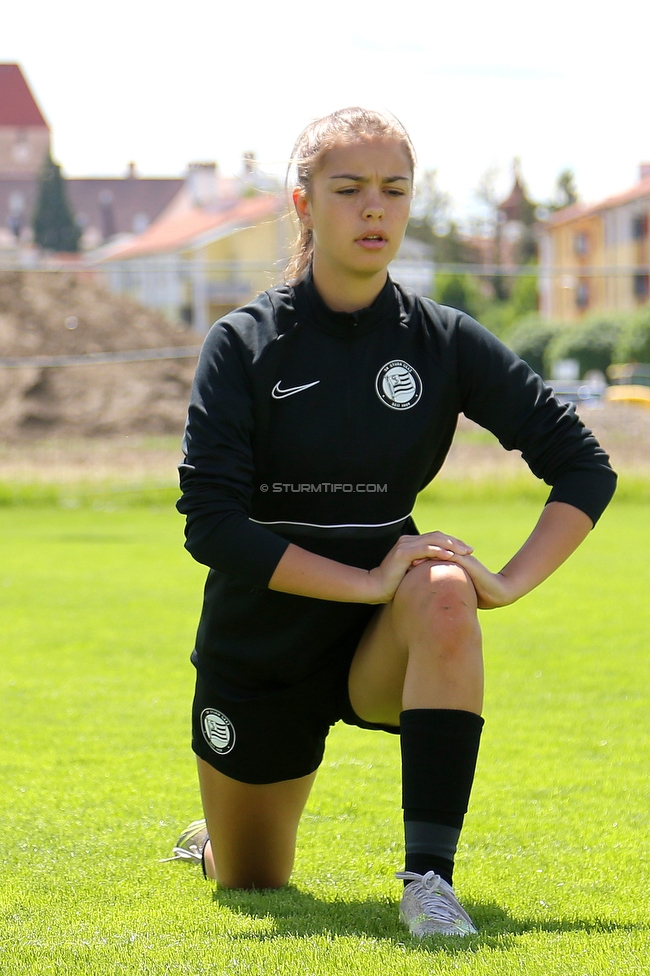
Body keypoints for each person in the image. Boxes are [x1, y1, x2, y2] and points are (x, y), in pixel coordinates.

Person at [166, 107, 616, 937]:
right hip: (260, 650)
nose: (375, 209)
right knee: (254, 880)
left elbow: (585, 465)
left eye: (394, 190)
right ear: (303, 203)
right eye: (350, 189)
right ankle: (215, 842)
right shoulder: (243, 344)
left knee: (444, 584)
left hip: (381, 644)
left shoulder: (441, 340)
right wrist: (366, 579)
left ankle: (430, 882)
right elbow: (211, 526)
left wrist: (508, 584)